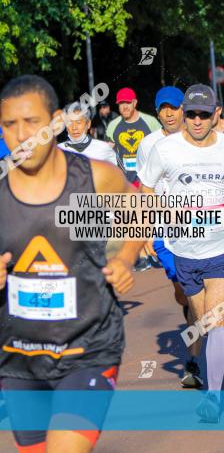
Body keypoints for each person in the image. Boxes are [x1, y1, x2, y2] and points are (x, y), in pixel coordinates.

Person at [0, 75, 144, 453]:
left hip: (88, 350)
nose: (21, 135)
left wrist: (127, 257)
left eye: (32, 122)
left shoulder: (91, 180)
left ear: (56, 121)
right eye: (10, 125)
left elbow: (138, 209)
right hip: (20, 359)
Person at [139, 84, 224, 423]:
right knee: (199, 318)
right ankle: (199, 361)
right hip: (184, 249)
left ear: (216, 115)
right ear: (185, 115)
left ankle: (213, 396)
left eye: (203, 114)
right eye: (191, 114)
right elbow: (147, 188)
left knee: (215, 318)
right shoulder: (165, 150)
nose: (196, 121)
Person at [136, 86, 205, 388]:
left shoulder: (197, 139)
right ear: (157, 112)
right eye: (163, 108)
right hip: (163, 229)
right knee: (182, 292)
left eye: (174, 108)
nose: (168, 113)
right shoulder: (148, 144)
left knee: (194, 295)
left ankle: (192, 364)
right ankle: (188, 305)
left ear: (183, 110)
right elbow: (143, 189)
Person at [106, 87, 161, 185]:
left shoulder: (150, 122)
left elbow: (163, 145)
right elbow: (108, 154)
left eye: (128, 102)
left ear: (135, 103)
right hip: (124, 181)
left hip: (149, 181)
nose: (125, 107)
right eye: (121, 103)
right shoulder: (113, 126)